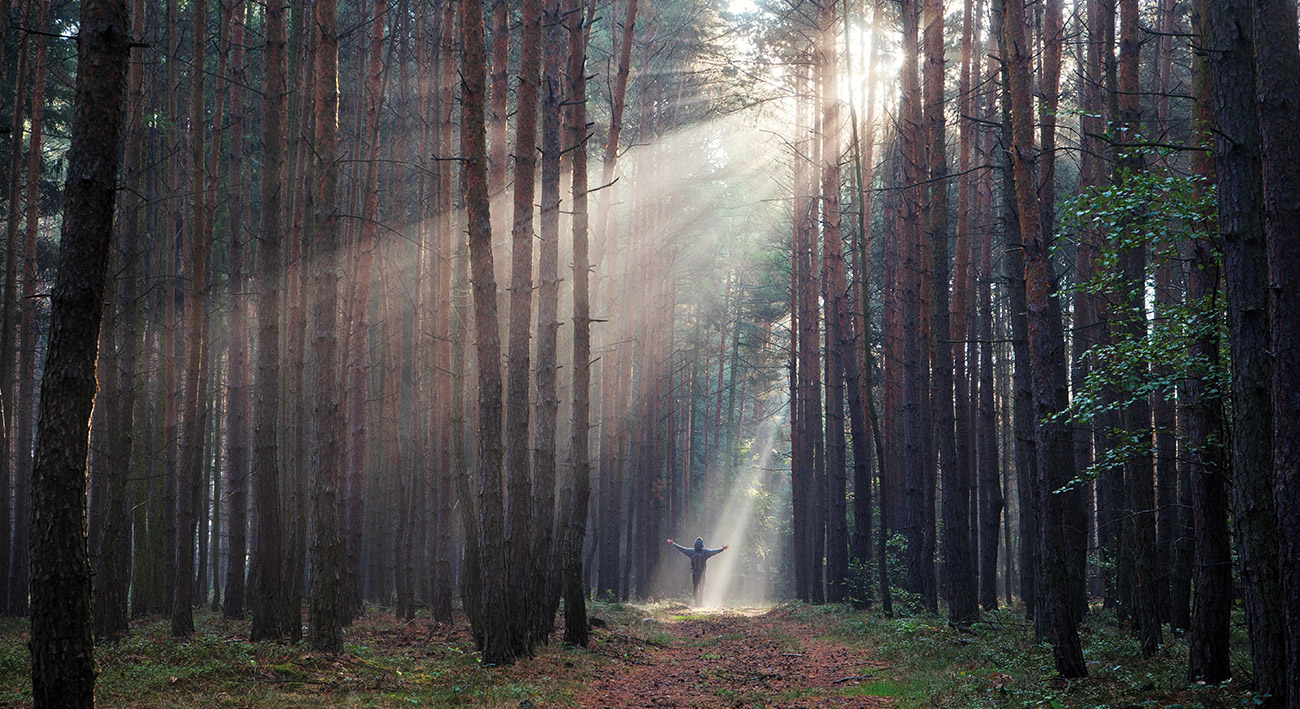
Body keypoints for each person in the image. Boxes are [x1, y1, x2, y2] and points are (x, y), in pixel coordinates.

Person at [667, 537, 729, 607]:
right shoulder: (705, 552)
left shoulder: (691, 552)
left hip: (695, 573)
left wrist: (673, 544)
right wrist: (722, 549)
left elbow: (682, 549)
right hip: (702, 574)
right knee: (702, 589)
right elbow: (714, 552)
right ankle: (701, 604)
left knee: (695, 588)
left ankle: (697, 603)